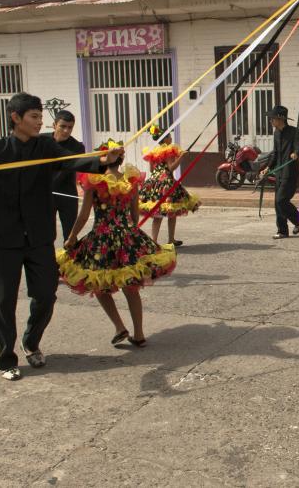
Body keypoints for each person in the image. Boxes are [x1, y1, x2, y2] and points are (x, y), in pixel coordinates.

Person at [0, 92, 123, 380]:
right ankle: (6, 357)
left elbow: (72, 161)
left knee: (46, 295)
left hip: (38, 237)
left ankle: (31, 341)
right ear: (16, 118)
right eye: (34, 117)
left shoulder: (46, 146)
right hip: (3, 239)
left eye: (40, 117)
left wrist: (102, 161)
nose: (40, 122)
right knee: (1, 301)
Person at [58, 141, 176, 348]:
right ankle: (139, 334)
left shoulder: (94, 181)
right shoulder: (130, 180)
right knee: (131, 286)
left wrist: (72, 236)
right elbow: (133, 214)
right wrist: (127, 226)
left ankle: (119, 327)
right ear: (120, 159)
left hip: (101, 238)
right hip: (128, 235)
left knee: (99, 285)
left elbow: (84, 215)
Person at [138, 126, 200, 246]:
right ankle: (170, 239)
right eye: (169, 136)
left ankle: (154, 241)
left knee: (158, 213)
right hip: (166, 183)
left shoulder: (153, 151)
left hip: (154, 183)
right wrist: (181, 158)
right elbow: (171, 168)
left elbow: (152, 169)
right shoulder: (168, 151)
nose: (171, 138)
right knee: (172, 211)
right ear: (165, 138)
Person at [45, 110, 85, 243]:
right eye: (63, 126)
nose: (66, 131)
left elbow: (76, 169)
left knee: (70, 233)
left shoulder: (77, 147)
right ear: (54, 125)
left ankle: (71, 261)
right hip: (44, 194)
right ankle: (47, 262)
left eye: (70, 127)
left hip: (66, 193)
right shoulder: (41, 141)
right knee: (46, 232)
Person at [263, 105, 299, 239]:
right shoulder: (276, 133)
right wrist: (268, 167)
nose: (270, 121)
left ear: (280, 119)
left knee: (281, 200)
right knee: (277, 202)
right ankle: (282, 231)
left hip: (290, 172)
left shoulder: (295, 132)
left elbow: (298, 148)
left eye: (272, 118)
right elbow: (275, 153)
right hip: (279, 173)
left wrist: (296, 154)